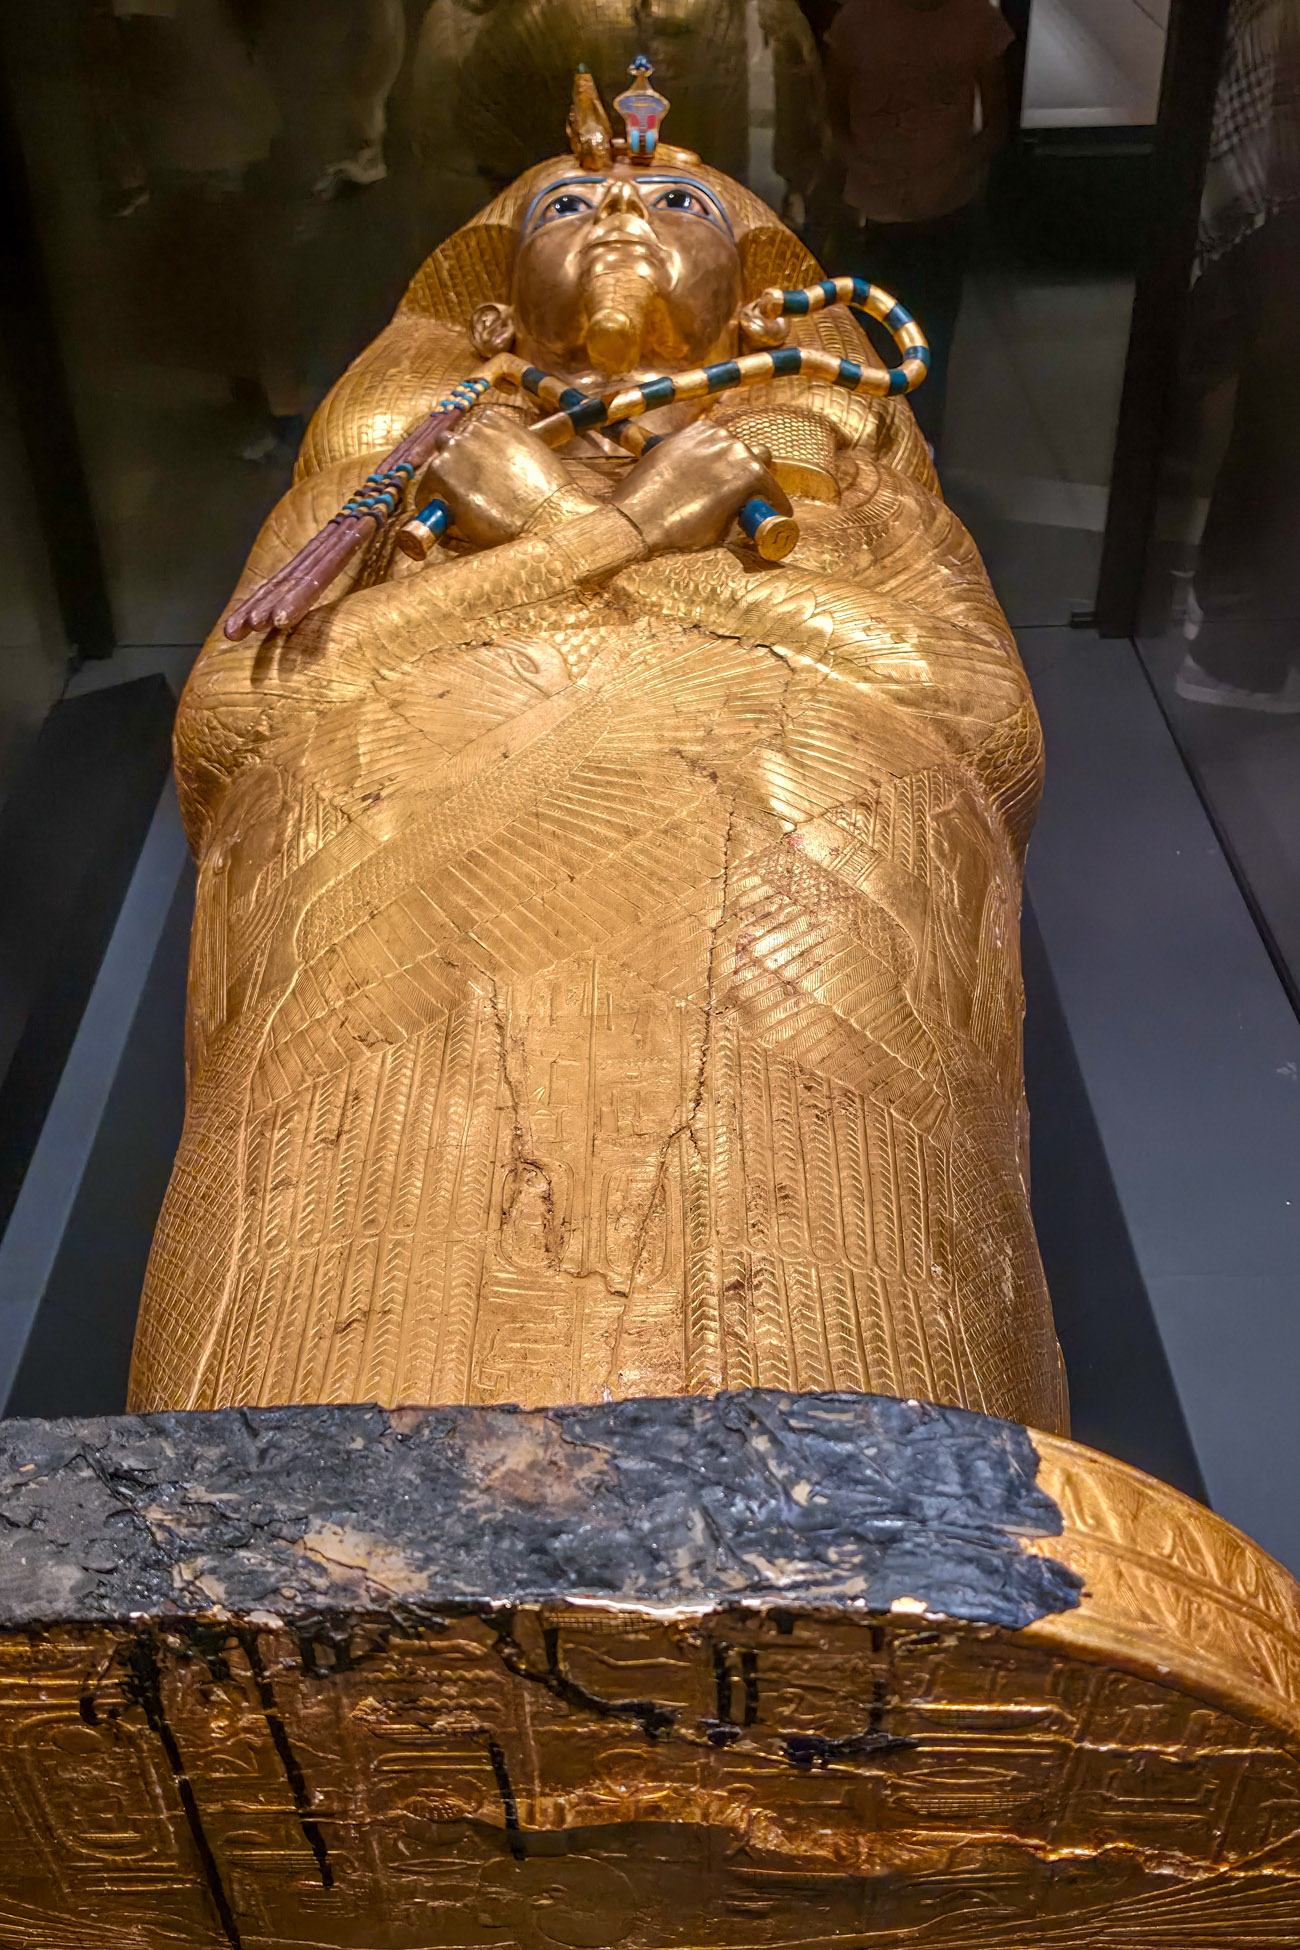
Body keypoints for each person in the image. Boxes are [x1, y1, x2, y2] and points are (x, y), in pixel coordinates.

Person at [128, 75, 1064, 1435]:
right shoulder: (376, 492)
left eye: (676, 201)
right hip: (399, 886)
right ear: (493, 317)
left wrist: (567, 538)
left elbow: (974, 718)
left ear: (759, 307)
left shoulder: (841, 479)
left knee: (833, 1264)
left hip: (790, 869)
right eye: (570, 207)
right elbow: (235, 725)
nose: (621, 214)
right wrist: (616, 534)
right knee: (334, 1288)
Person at [823, 0, 1013, 449]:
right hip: (873, 210)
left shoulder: (974, 18)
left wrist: (951, 173)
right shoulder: (858, 20)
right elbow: (832, 111)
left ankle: (923, 446)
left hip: (944, 208)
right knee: (865, 338)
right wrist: (859, 168)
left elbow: (997, 121)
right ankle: (868, 444)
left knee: (931, 340)